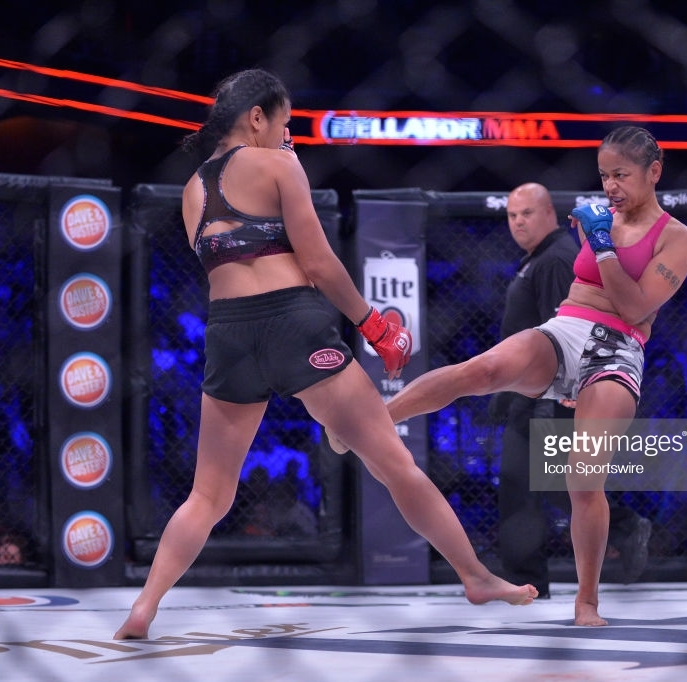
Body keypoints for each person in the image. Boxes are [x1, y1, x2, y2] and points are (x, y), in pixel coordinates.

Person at [113, 68, 536, 640]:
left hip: (228, 333)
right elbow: (316, 263)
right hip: (293, 321)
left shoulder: (192, 191)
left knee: (207, 494)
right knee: (394, 463)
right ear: (256, 117)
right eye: (283, 122)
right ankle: (475, 576)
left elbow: (233, 261)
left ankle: (144, 607)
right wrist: (373, 326)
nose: (287, 135)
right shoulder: (278, 164)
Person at [331, 126, 687, 625]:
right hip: (566, 327)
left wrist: (602, 244)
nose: (610, 186)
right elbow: (584, 289)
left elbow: (634, 308)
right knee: (479, 370)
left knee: (583, 478)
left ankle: (587, 601)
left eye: (621, 175)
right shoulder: (599, 218)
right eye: (604, 175)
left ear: (654, 172)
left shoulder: (676, 237)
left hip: (618, 350)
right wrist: (599, 237)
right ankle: (367, 422)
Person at [489, 182, 651, 598]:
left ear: (549, 214)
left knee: (535, 484)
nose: (518, 222)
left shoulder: (556, 259)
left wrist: (565, 387)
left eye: (527, 213)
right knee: (551, 483)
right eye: (512, 215)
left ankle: (527, 582)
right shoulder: (539, 260)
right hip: (533, 391)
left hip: (548, 392)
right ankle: (621, 530)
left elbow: (567, 328)